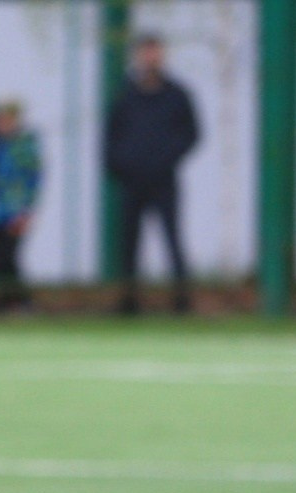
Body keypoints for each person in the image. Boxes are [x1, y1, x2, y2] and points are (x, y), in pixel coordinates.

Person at [105, 34, 199, 315]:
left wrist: (166, 158)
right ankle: (128, 302)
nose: (150, 58)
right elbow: (110, 136)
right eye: (145, 53)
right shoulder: (124, 95)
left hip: (164, 180)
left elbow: (192, 134)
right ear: (137, 56)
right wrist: (120, 165)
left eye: (155, 52)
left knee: (172, 238)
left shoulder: (177, 95)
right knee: (129, 243)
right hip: (131, 181)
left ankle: (181, 302)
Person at [0, 100, 41, 313]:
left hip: (14, 211)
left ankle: (20, 301)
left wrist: (24, 212)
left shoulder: (24, 147)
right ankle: (3, 301)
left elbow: (32, 182)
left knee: (8, 258)